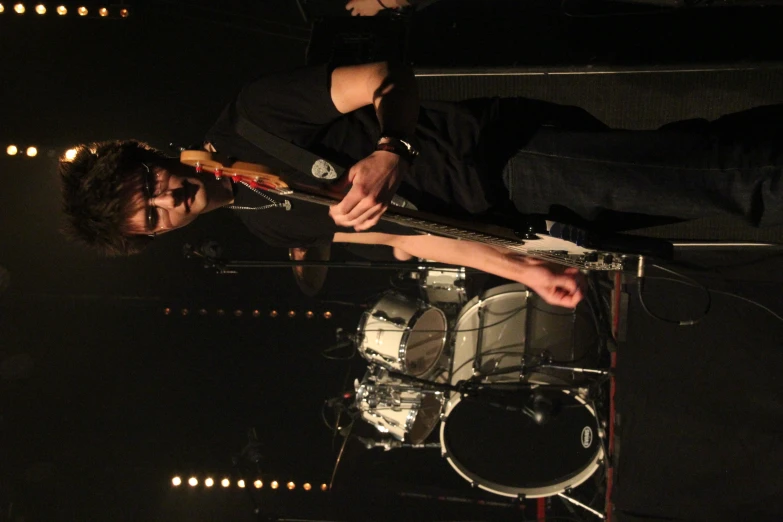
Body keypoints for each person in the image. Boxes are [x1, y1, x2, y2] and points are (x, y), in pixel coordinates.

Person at [60, 62, 782, 307]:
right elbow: (408, 235)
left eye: (147, 187)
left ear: (148, 157)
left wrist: (388, 149)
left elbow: (384, 78)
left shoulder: (251, 120)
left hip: (502, 158)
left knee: (726, 181)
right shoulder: (268, 225)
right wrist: (521, 269)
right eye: (149, 219)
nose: (165, 202)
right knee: (695, 161)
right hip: (510, 214)